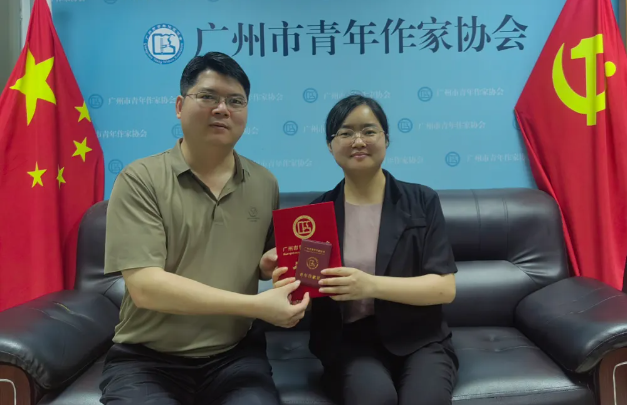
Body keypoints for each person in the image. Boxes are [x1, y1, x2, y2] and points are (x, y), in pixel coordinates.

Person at [100, 52, 310, 405]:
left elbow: (264, 261)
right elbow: (146, 287)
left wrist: (267, 265)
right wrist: (256, 306)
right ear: (179, 106)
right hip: (147, 360)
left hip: (235, 356)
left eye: (235, 101)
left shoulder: (264, 182)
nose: (222, 109)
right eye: (208, 96)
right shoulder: (140, 179)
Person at [273, 95, 459, 405]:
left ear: (386, 138)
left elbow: (444, 288)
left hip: (421, 339)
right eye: (345, 133)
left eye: (369, 131)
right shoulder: (315, 215)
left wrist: (369, 285)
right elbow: (308, 292)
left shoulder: (422, 201)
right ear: (330, 145)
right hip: (350, 344)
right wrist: (287, 283)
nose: (358, 141)